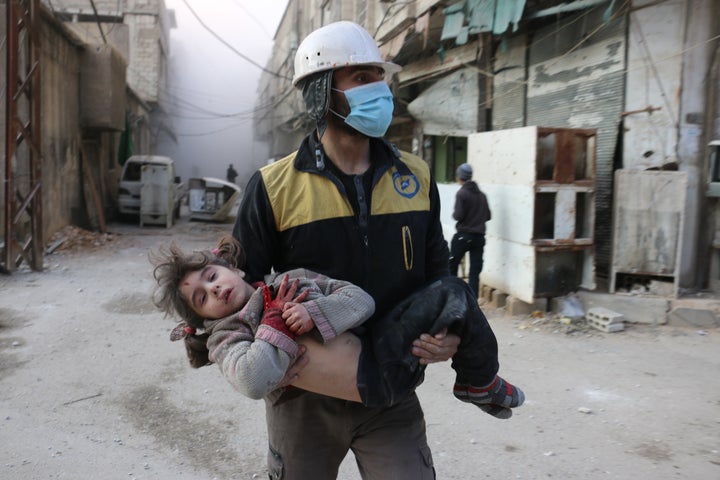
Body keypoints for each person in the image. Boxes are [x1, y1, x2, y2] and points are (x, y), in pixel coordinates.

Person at [232, 20, 482, 479]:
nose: (379, 90)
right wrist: (258, 356)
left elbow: (438, 276)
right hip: (304, 394)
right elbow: (239, 287)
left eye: (379, 77)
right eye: (362, 79)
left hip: (392, 388)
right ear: (323, 92)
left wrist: (450, 334)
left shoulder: (417, 177)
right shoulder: (272, 187)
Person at [151, 236, 524, 416]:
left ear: (232, 267)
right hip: (362, 388)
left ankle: (478, 381)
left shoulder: (290, 281)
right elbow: (250, 379)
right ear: (203, 320)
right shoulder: (226, 336)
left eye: (211, 275)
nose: (213, 288)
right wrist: (275, 322)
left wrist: (315, 314)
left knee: (453, 290)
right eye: (202, 298)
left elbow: (362, 302)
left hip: (389, 355)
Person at [448, 163, 492, 300]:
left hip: (463, 236)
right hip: (479, 238)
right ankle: (473, 301)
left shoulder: (462, 193)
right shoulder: (482, 195)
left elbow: (458, 216)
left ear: (460, 177)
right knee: (474, 272)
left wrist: (456, 215)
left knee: (451, 266)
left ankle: (454, 298)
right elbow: (488, 216)